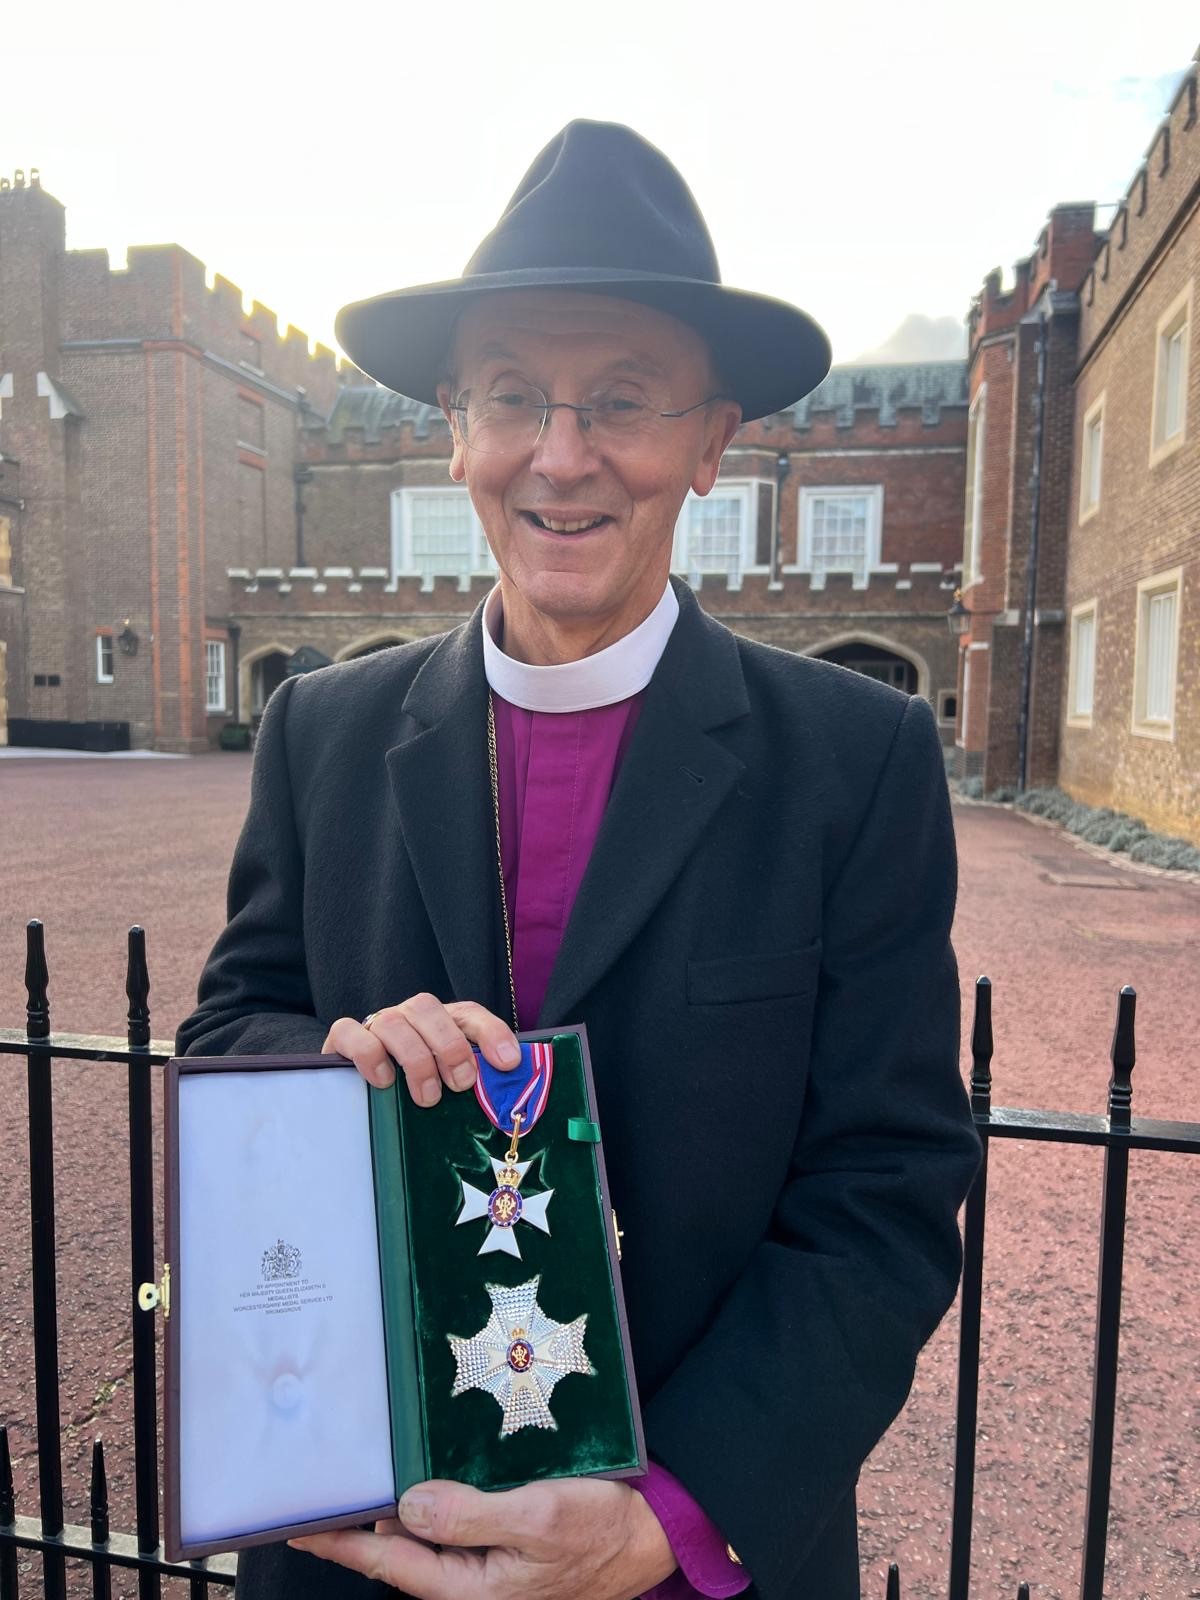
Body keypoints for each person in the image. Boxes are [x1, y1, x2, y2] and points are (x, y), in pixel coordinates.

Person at [178, 119, 981, 1600]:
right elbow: (230, 1036)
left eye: (620, 400)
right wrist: (343, 1051)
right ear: (454, 426)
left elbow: (888, 1179)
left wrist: (673, 1512)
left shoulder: (851, 760)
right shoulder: (322, 730)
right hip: (363, 1541)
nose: (561, 457)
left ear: (709, 441)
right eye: (513, 399)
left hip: (684, 1561)